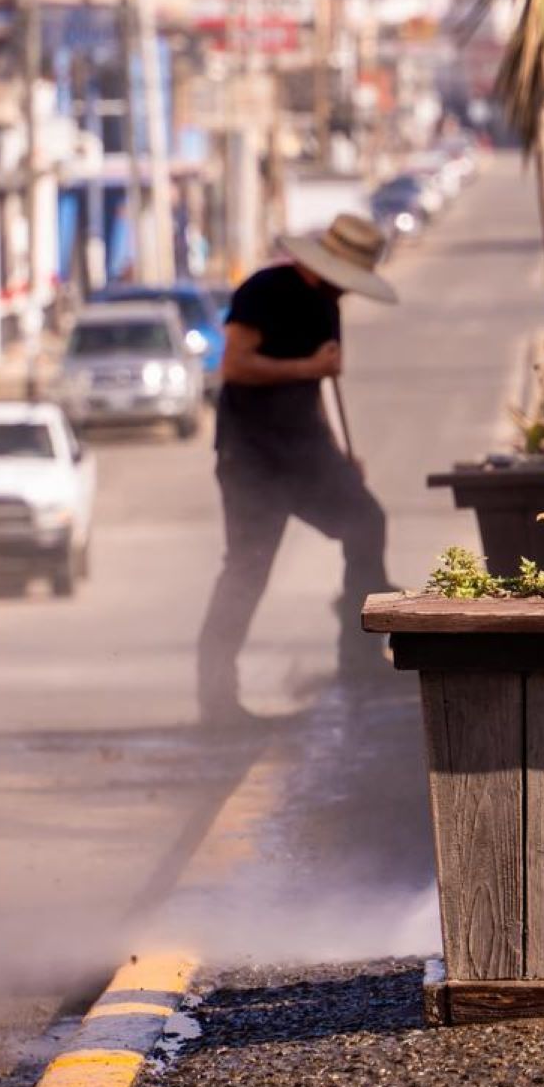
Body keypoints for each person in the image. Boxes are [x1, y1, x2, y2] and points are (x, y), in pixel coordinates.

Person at [196, 214, 399, 730]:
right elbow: (236, 367)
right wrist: (308, 368)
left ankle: (359, 657)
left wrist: (338, 454)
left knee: (366, 524)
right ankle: (217, 699)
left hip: (306, 454)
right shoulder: (264, 290)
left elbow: (315, 393)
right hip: (253, 458)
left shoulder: (327, 306)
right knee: (247, 568)